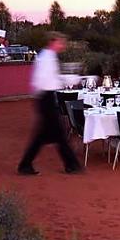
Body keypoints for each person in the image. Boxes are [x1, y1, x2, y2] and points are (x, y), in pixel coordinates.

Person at [18, 32, 83, 175]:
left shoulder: (49, 57)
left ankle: (27, 165)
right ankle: (71, 165)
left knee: (49, 135)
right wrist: (64, 82)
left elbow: (53, 78)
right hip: (45, 98)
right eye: (60, 42)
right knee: (57, 134)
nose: (62, 45)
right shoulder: (46, 58)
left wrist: (70, 79)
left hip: (46, 97)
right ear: (52, 42)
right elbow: (42, 81)